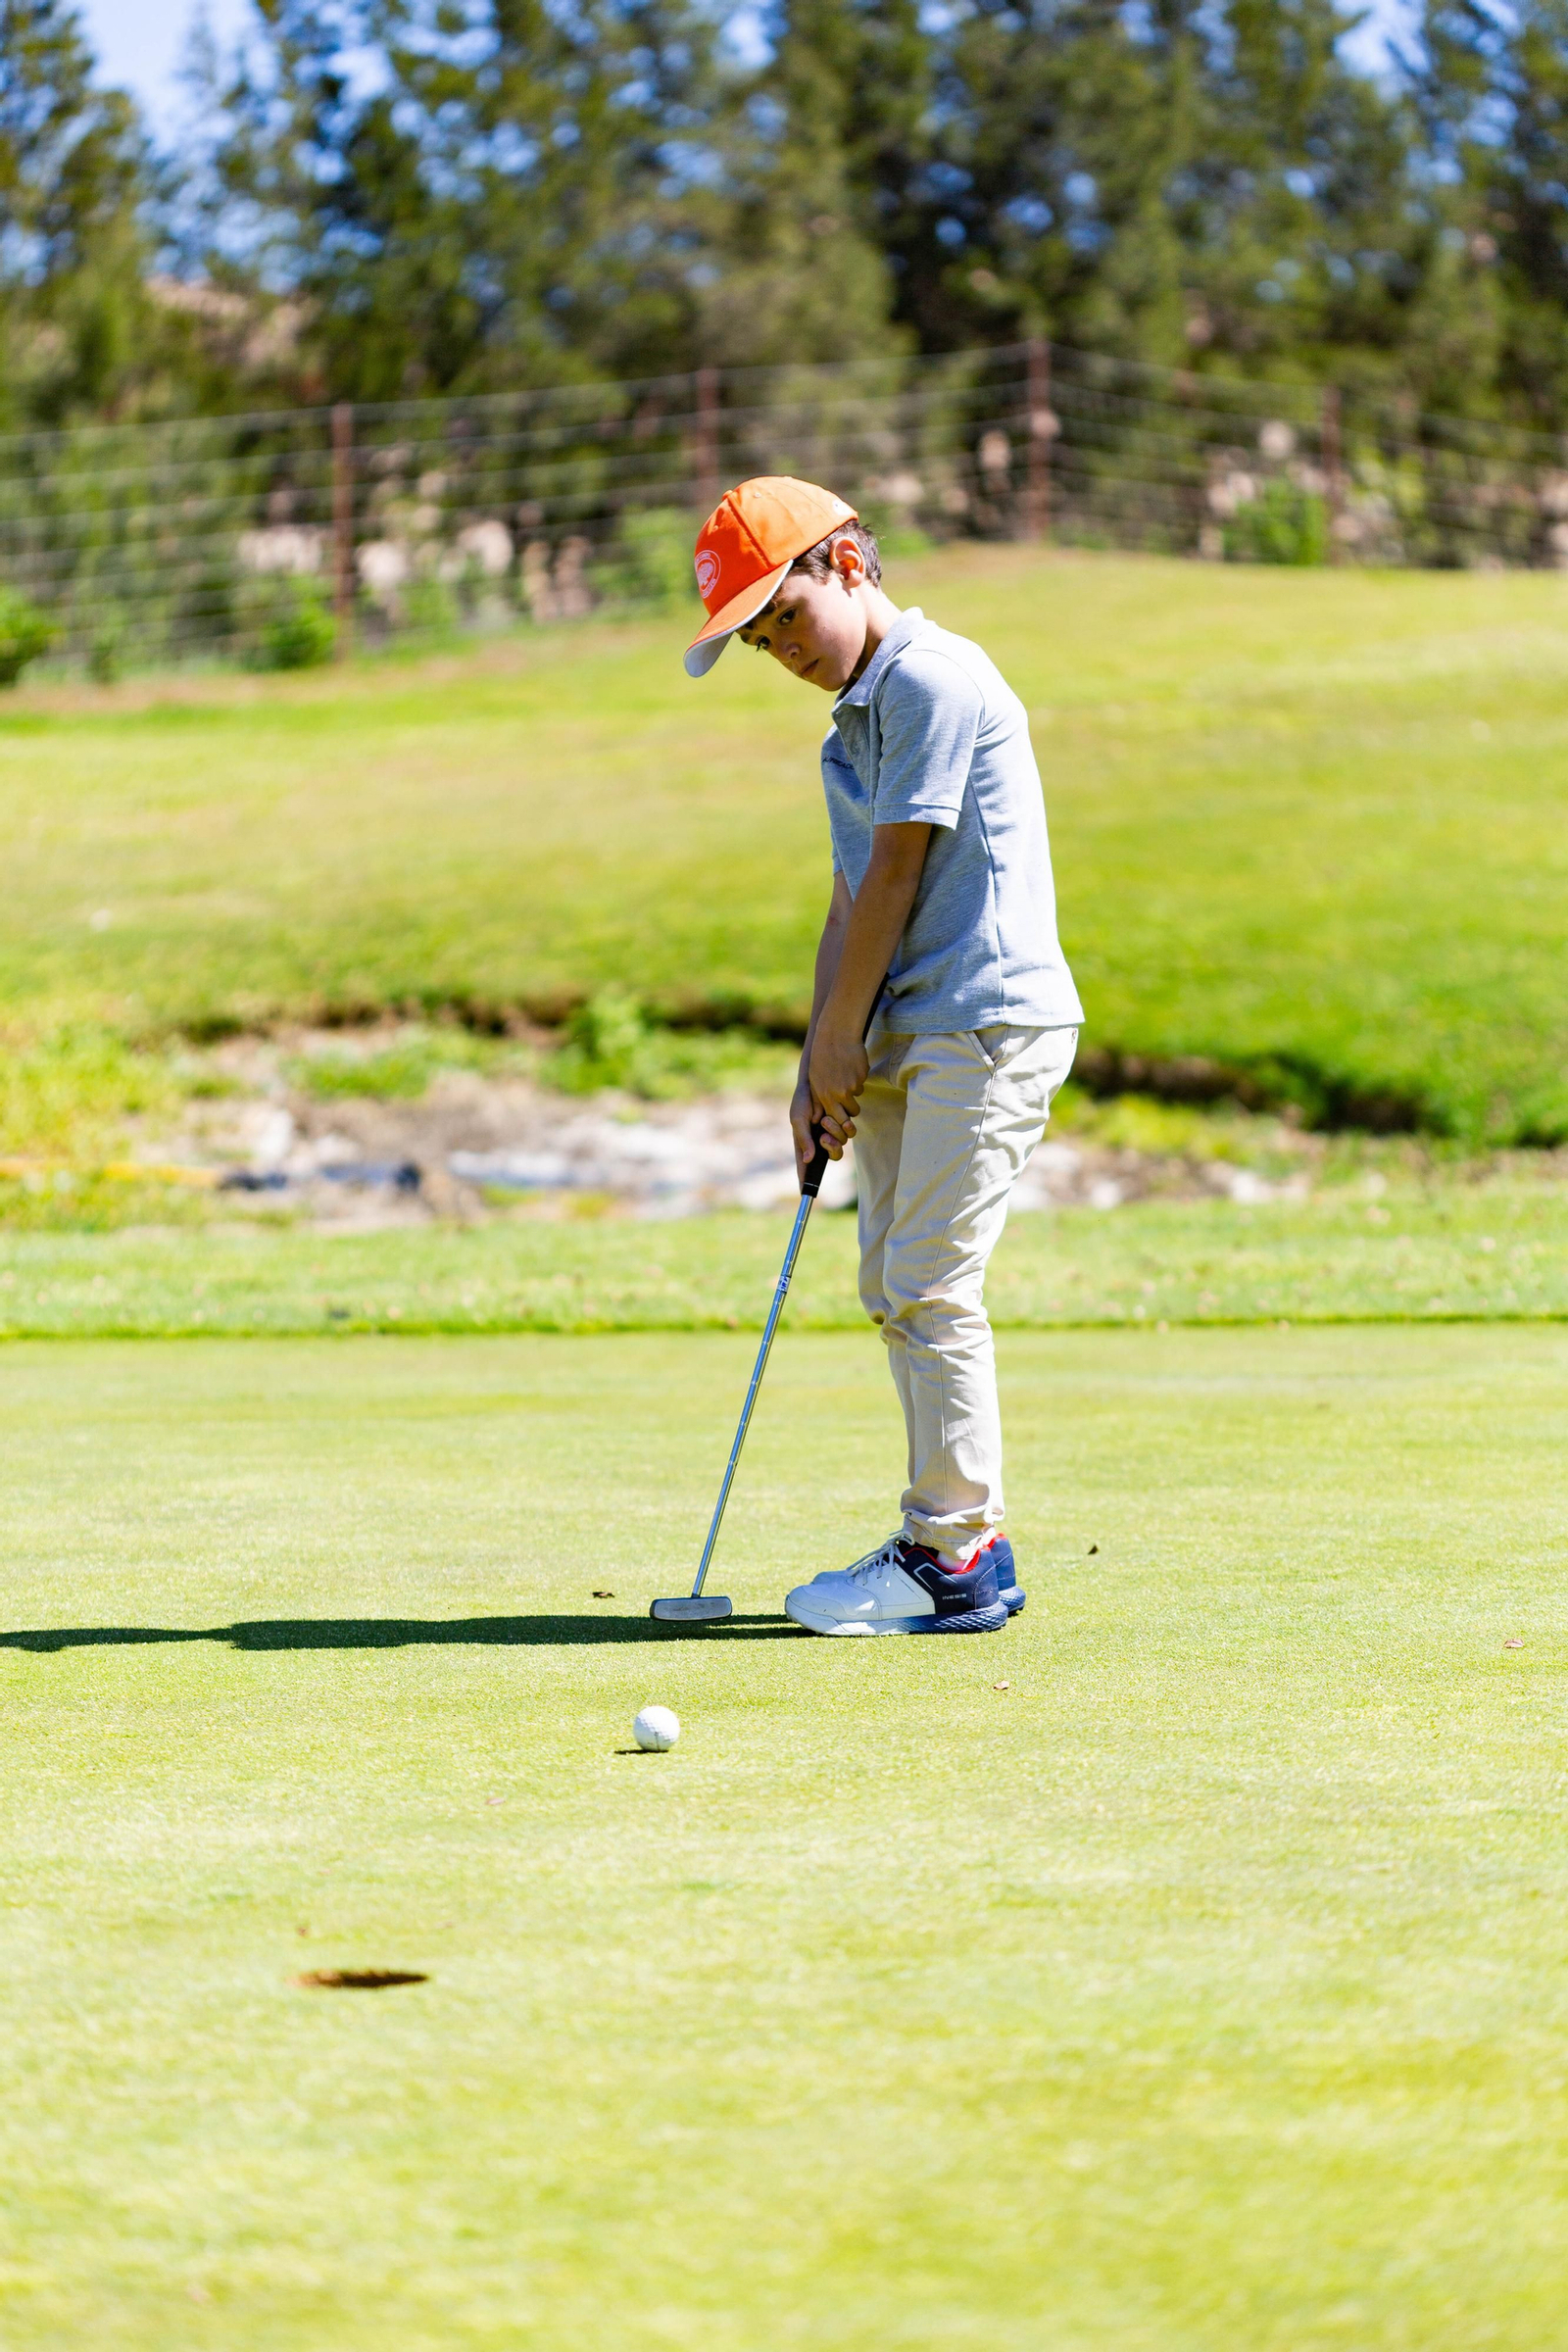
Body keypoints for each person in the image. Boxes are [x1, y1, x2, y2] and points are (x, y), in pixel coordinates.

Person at [683, 476, 1082, 1636]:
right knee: (890, 1285)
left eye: (787, 617)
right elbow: (850, 894)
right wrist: (816, 1061)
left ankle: (950, 1556)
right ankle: (964, 1548)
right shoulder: (849, 724)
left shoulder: (931, 679)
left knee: (928, 1283)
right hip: (916, 1020)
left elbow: (902, 874)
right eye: (759, 641)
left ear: (848, 565)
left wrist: (840, 1039)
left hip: (985, 1019)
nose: (781, 649)